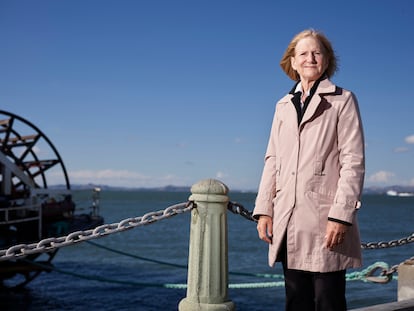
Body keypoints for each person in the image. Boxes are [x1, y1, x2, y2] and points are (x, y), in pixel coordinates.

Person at [253, 29, 365, 311]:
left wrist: (341, 216)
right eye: (303, 53)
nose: (310, 58)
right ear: (292, 62)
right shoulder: (282, 105)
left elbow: (353, 161)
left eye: (317, 52)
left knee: (329, 301)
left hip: (325, 218)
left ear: (327, 61)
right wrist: (265, 209)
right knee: (295, 301)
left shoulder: (343, 100)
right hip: (288, 218)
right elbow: (273, 159)